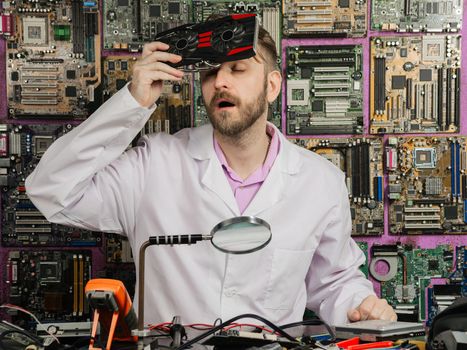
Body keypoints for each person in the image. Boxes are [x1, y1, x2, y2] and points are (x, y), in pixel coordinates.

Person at [25, 24, 396, 327]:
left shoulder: (320, 182)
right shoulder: (153, 165)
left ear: (271, 85)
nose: (220, 82)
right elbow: (51, 189)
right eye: (210, 72)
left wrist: (362, 305)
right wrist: (132, 103)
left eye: (237, 69)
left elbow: (334, 283)